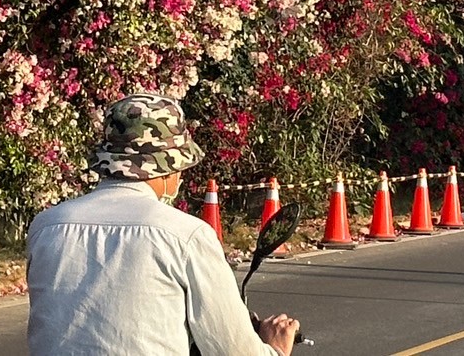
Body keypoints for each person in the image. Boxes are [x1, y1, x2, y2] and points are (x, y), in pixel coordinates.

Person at [27, 92, 301, 356]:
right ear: (168, 168)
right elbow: (232, 349)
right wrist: (275, 347)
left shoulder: (46, 227)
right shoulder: (185, 235)